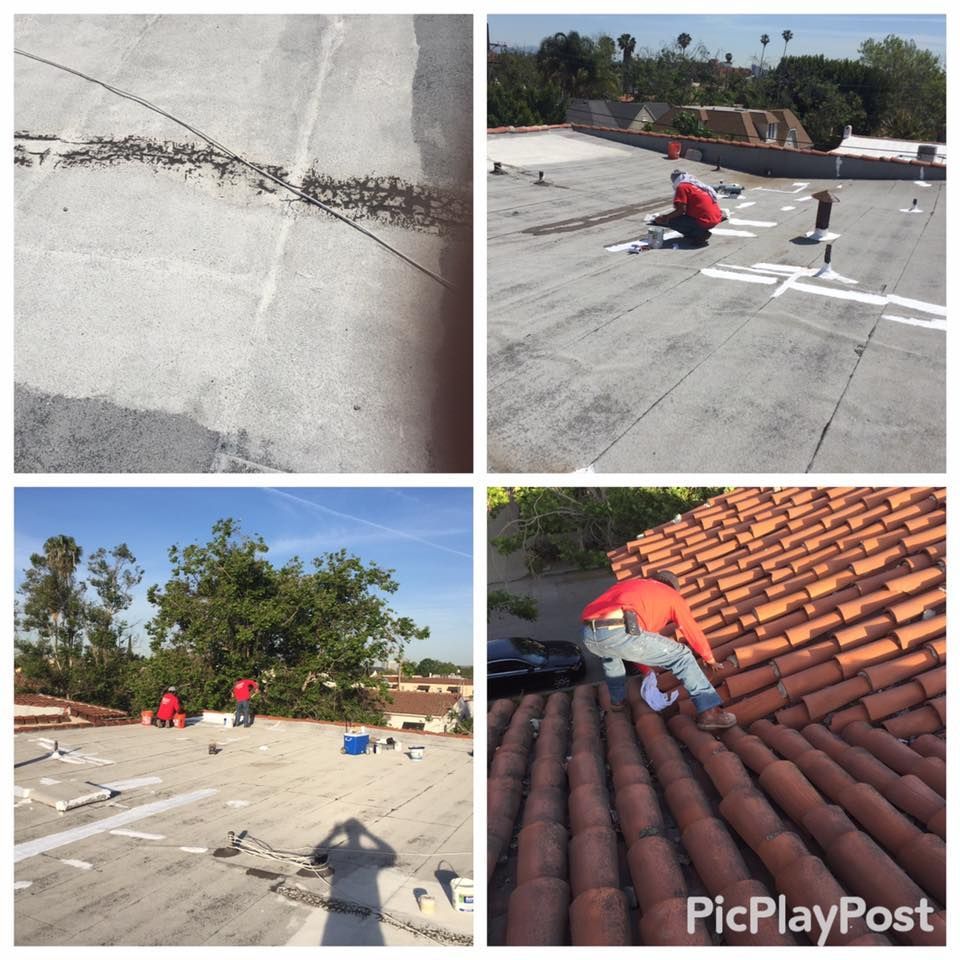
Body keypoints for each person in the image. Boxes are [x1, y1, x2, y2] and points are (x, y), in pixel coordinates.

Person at [581, 570, 736, 730]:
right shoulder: (671, 595)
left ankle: (617, 701)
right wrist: (709, 658)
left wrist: (647, 671)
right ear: (673, 588)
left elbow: (636, 644)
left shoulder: (632, 587)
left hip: (589, 634)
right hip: (618, 631)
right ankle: (709, 712)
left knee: (612, 659)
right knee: (682, 656)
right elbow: (691, 630)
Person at [652, 169, 724, 245]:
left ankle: (699, 234)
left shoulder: (682, 187)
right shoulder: (695, 185)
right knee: (680, 218)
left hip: (705, 220)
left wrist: (665, 217)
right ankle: (697, 232)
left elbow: (680, 211)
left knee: (672, 221)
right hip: (716, 217)